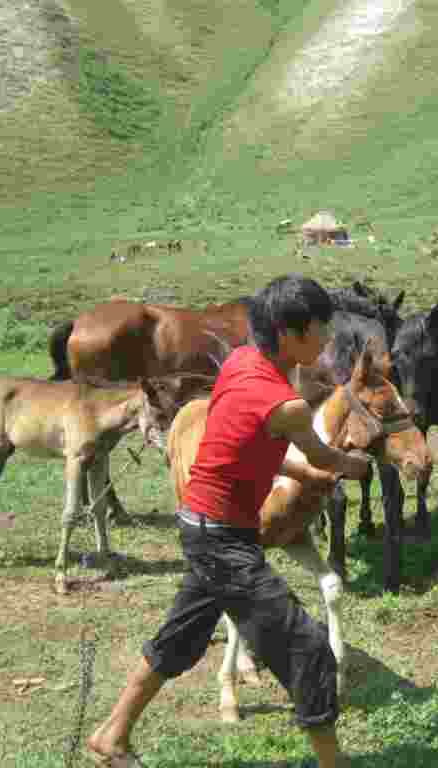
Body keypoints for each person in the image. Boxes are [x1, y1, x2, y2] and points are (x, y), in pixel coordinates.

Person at [88, 274, 371, 768]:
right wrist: (355, 464)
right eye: (319, 331)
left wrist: (302, 470)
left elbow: (242, 445)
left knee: (179, 639)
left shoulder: (241, 362)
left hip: (201, 525)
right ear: (288, 332)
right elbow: (327, 456)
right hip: (223, 539)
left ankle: (111, 735)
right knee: (306, 646)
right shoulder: (288, 406)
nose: (327, 341)